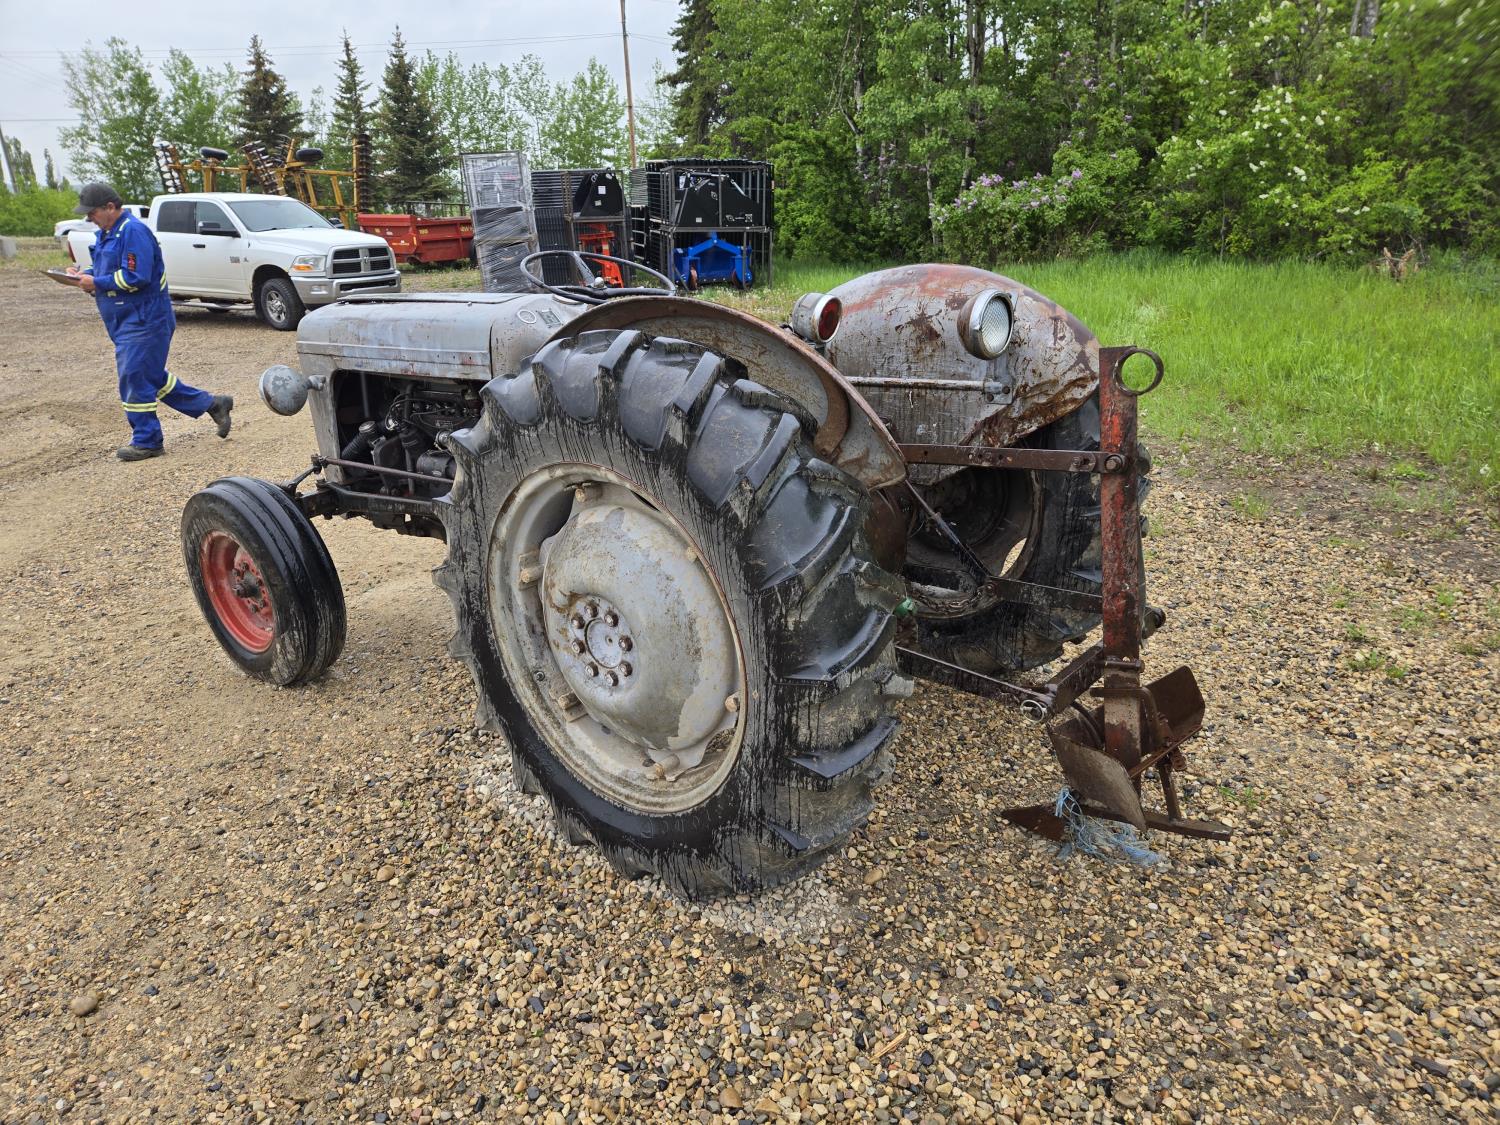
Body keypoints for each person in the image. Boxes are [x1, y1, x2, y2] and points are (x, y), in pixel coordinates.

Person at [68, 182, 233, 461]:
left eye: (92, 212)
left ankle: (147, 440)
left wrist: (96, 282)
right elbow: (107, 267)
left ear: (110, 207)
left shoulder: (133, 231)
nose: (89, 218)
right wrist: (84, 274)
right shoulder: (109, 233)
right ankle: (213, 404)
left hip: (144, 320)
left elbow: (137, 276)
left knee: (134, 376)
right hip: (125, 320)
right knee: (149, 375)